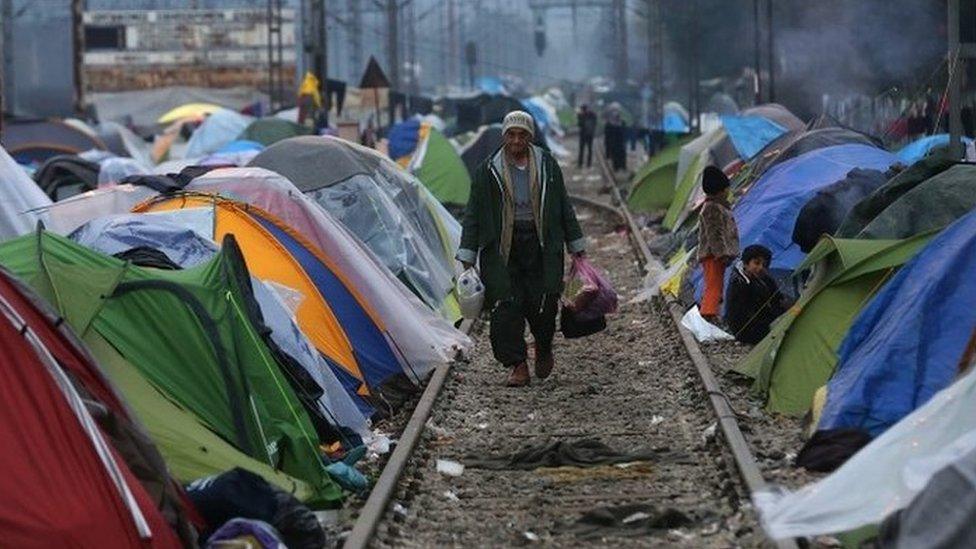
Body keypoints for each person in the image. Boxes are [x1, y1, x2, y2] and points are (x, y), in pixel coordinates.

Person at [456, 110, 587, 387]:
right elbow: (473, 214)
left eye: (522, 135)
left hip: (542, 246)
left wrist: (576, 245)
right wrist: (468, 254)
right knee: (505, 307)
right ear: (504, 137)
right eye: (511, 135)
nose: (516, 141)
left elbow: (563, 205)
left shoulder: (547, 165)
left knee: (544, 304)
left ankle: (543, 345)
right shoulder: (487, 171)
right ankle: (517, 364)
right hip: (503, 249)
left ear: (530, 137)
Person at [697, 166, 739, 323]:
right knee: (713, 287)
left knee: (716, 286)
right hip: (713, 255)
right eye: (726, 189)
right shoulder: (712, 209)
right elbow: (715, 235)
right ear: (720, 190)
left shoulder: (718, 206)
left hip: (715, 255)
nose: (728, 191)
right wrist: (722, 254)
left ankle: (711, 313)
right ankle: (707, 316)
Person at [724, 245, 788, 344]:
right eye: (756, 263)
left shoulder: (765, 279)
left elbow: (777, 298)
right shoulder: (739, 284)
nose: (760, 268)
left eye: (764, 265)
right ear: (746, 263)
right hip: (748, 330)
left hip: (766, 321)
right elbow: (741, 316)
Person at [577, 104, 597, 169]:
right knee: (589, 150)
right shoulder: (593, 115)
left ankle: (580, 164)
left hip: (584, 135)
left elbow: (580, 124)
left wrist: (579, 116)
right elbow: (594, 124)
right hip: (589, 134)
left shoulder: (581, 115)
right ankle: (588, 164)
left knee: (582, 150)